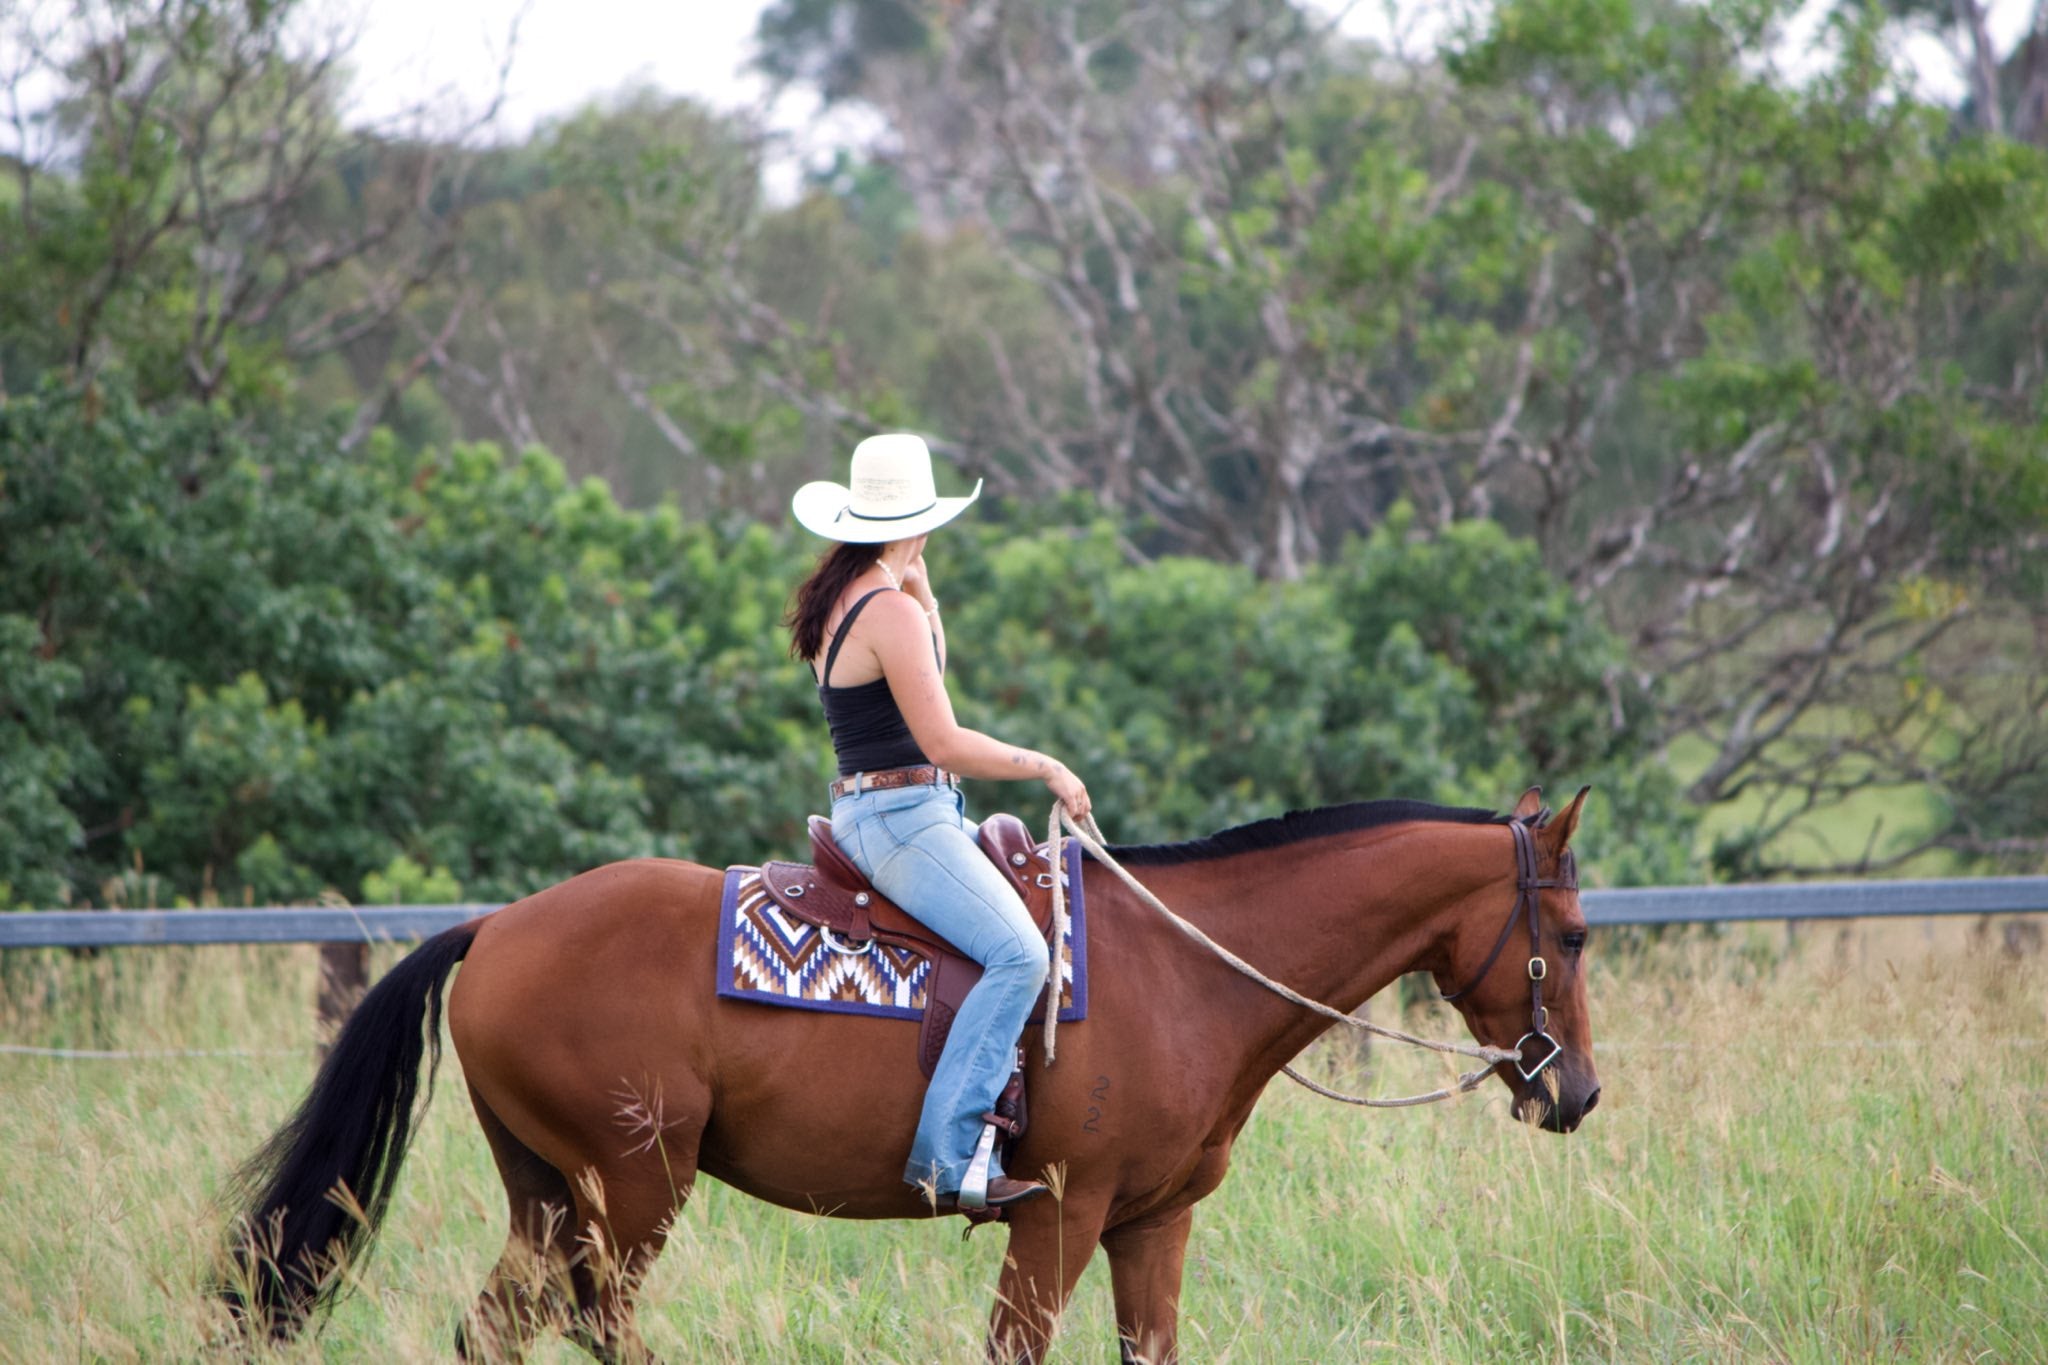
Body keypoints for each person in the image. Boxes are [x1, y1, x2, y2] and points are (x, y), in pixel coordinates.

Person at [788, 433, 1091, 1211]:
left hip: (887, 808)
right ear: (919, 522)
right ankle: (949, 1157)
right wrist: (1046, 765)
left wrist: (924, 596)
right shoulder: (885, 609)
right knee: (1019, 954)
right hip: (903, 818)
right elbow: (945, 740)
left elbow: (928, 682)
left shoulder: (857, 597)